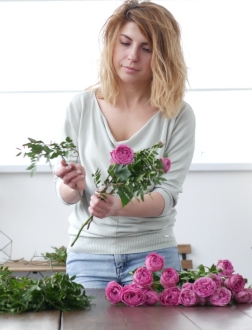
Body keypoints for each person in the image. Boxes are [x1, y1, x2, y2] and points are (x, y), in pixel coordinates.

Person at [53, 0, 195, 288]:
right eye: (125, 43)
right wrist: (71, 183)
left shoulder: (177, 115)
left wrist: (118, 205)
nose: (132, 56)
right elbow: (68, 195)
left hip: (154, 256)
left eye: (146, 48)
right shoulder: (80, 107)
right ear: (112, 46)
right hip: (88, 256)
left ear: (163, 56)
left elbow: (166, 198)